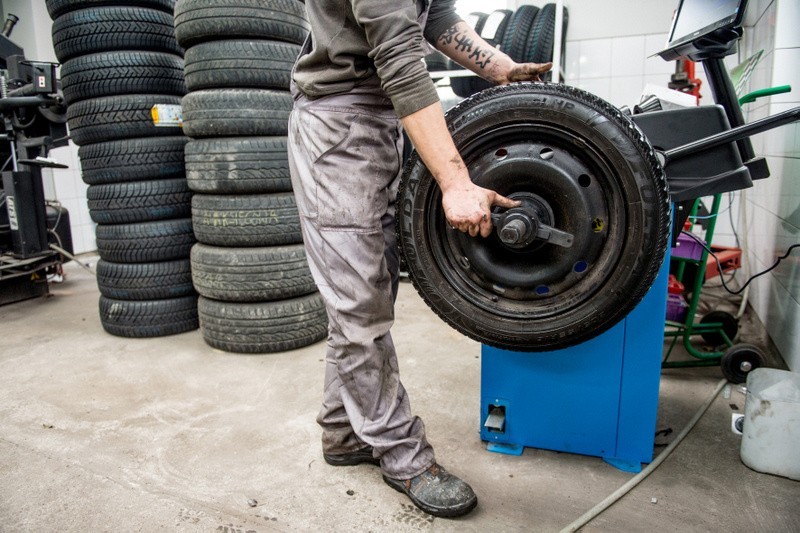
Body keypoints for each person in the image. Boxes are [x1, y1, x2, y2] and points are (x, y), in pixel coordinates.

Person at [287, 0, 551, 518]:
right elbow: (400, 55)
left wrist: (500, 68)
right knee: (360, 301)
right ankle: (402, 453)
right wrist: (455, 182)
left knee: (370, 288)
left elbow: (434, 18)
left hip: (380, 119)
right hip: (338, 126)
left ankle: (343, 431)